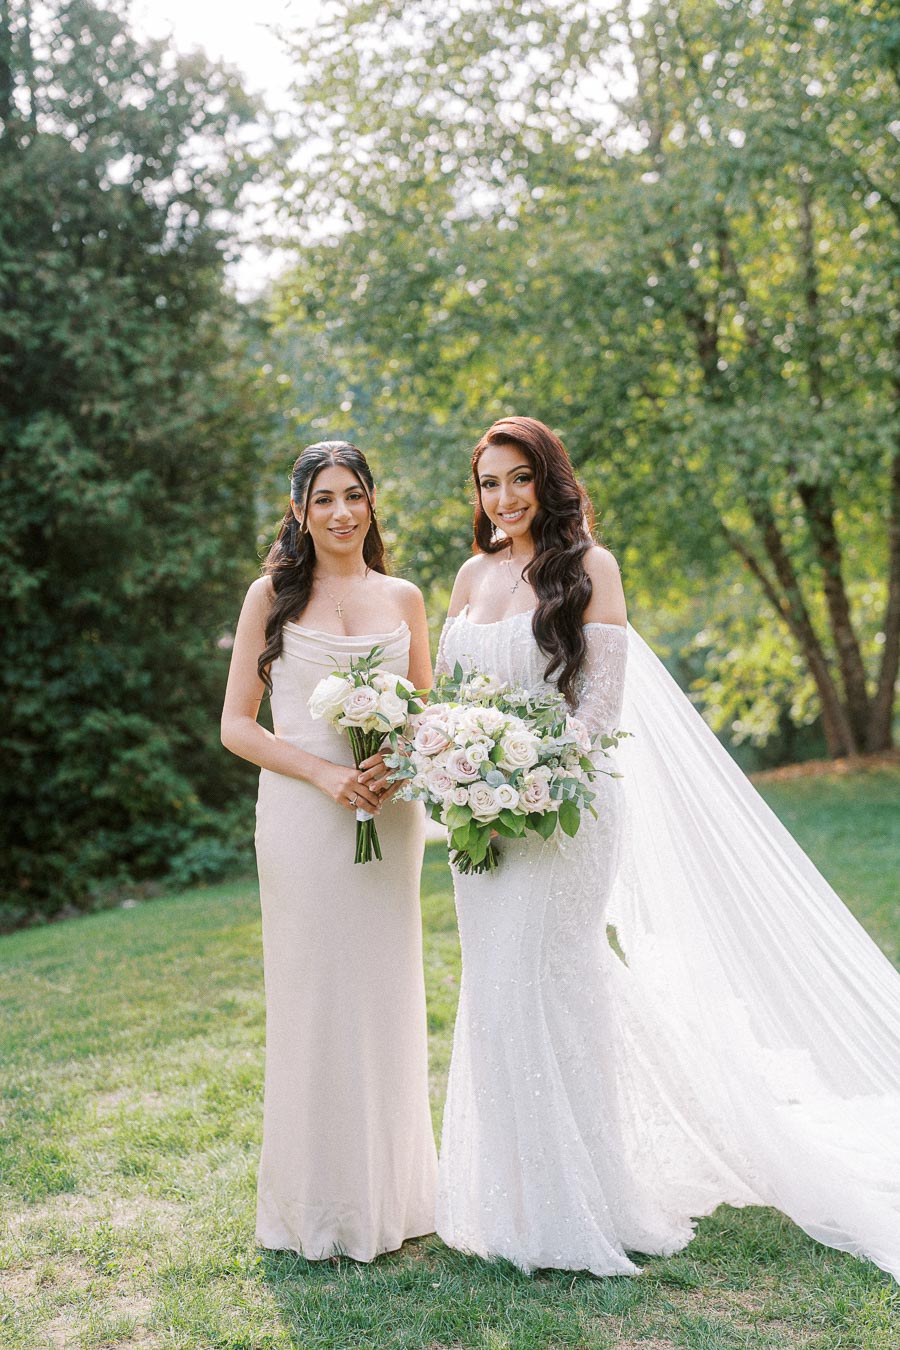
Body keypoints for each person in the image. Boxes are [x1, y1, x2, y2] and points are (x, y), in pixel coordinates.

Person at [434, 415, 900, 1281]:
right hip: (480, 823)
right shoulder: (468, 574)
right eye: (488, 483)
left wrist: (519, 773)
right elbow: (451, 698)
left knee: (553, 985)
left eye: (517, 479)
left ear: (549, 480)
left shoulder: (589, 570)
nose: (502, 498)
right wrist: (460, 769)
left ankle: (586, 1200)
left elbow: (598, 714)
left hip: (565, 811)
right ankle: (515, 1198)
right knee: (497, 991)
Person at [221, 440, 437, 1261]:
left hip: (388, 818)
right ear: (300, 513)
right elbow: (236, 725)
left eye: (354, 495)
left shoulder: (405, 597)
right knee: (314, 997)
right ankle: (317, 1206)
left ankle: (397, 1198)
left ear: (372, 503)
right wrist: (321, 772)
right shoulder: (271, 596)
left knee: (386, 994)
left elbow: (424, 709)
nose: (341, 513)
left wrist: (397, 760)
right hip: (303, 820)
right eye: (323, 500)